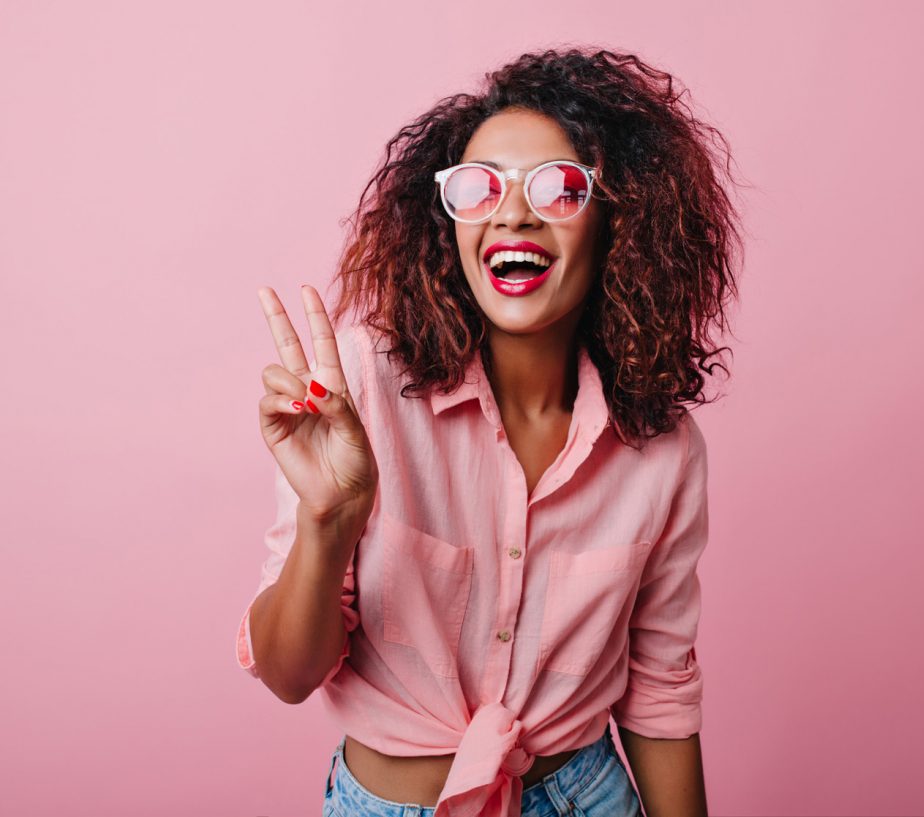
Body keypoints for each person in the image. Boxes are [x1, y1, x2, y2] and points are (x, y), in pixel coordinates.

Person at [237, 46, 743, 817]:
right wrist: (328, 520)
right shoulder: (359, 390)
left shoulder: (662, 450)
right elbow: (288, 673)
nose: (513, 212)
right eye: (480, 188)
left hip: (588, 797)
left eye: (558, 188)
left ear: (618, 218)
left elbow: (660, 686)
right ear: (448, 223)